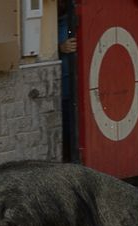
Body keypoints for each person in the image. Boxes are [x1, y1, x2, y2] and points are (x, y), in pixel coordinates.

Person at [59, 2, 79, 163]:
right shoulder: (59, 24)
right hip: (64, 90)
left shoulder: (71, 22)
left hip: (71, 88)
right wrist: (60, 48)